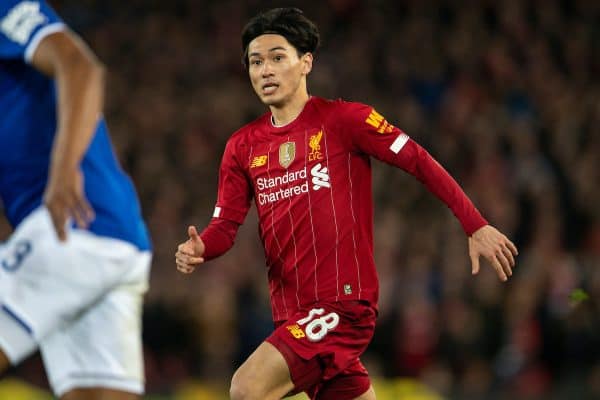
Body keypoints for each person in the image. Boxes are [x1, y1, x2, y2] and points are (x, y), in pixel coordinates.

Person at [175, 7, 518, 400]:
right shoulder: (241, 147)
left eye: (276, 58)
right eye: (256, 62)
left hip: (341, 305)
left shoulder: (344, 120)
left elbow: (418, 160)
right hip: (293, 316)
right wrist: (202, 246)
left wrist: (474, 223)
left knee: (246, 388)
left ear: (305, 63)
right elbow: (225, 226)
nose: (265, 70)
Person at [0, 1, 151, 399]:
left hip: (74, 223)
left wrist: (64, 170)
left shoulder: (6, 11)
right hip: (109, 236)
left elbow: (81, 67)